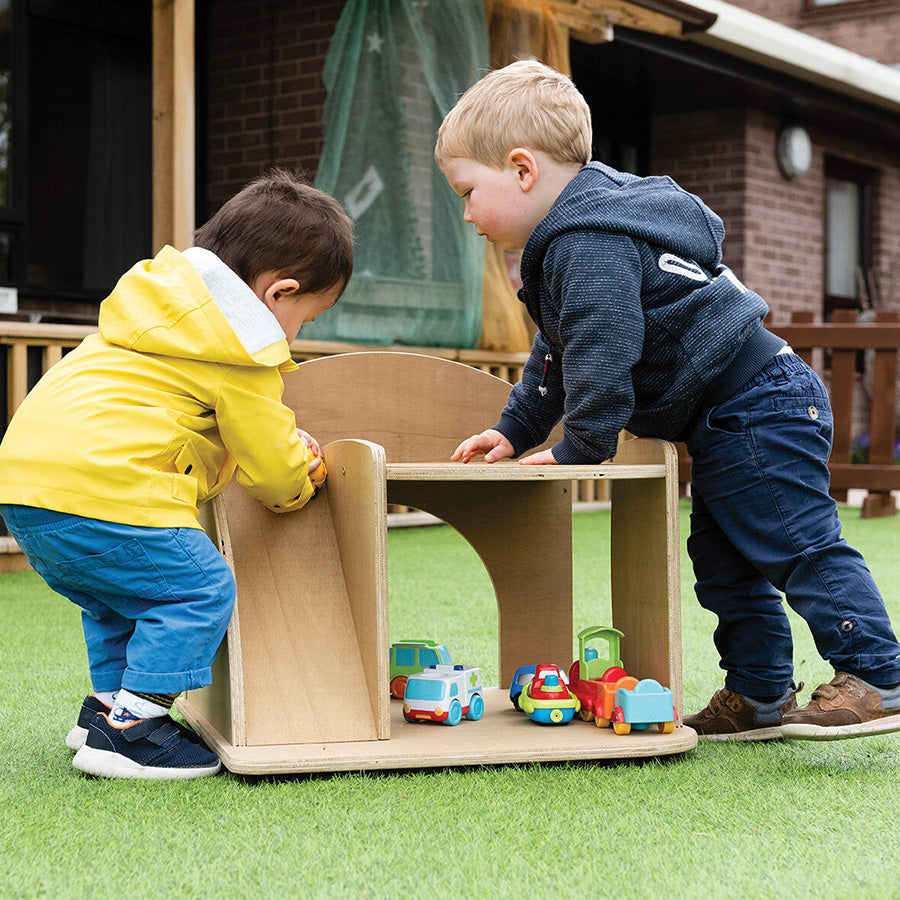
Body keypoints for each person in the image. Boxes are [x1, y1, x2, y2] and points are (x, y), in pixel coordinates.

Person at [434, 59, 900, 742]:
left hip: (756, 402)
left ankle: (878, 673)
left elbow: (602, 347)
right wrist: (515, 429)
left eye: (469, 191)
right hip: (734, 412)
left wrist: (580, 448)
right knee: (723, 558)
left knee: (792, 539)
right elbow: (559, 347)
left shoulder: (586, 240)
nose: (468, 213)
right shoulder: (587, 231)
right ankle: (760, 690)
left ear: (523, 169)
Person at [0, 168, 353, 778]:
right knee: (199, 590)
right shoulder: (242, 349)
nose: (297, 336)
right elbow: (273, 471)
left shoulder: (152, 315)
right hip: (110, 489)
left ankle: (106, 709)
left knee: (121, 599)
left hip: (26, 489)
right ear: (278, 293)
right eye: (307, 319)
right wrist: (305, 473)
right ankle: (133, 731)